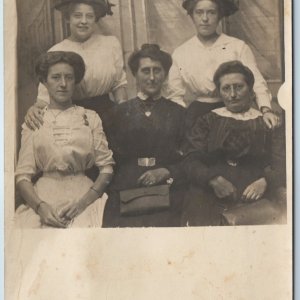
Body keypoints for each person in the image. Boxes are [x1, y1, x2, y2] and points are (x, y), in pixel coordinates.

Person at [15, 51, 115, 228]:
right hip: (44, 196)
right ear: (44, 82)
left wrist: (83, 203)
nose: (63, 84)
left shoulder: (90, 117)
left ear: (75, 81)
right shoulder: (35, 120)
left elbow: (106, 168)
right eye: (55, 77)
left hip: (83, 195)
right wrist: (40, 208)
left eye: (69, 77)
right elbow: (22, 177)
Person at [180, 61, 286, 226]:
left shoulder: (267, 122)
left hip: (255, 194)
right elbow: (190, 159)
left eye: (238, 87)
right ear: (220, 92)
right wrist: (213, 180)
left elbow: (283, 163)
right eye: (226, 89)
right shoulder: (207, 120)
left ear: (251, 91)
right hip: (209, 193)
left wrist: (265, 181)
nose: (232, 94)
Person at [102, 44, 186, 227]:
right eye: (145, 71)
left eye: (157, 70)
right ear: (135, 75)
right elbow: (106, 158)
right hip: (126, 188)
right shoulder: (117, 113)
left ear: (165, 74)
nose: (152, 77)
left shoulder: (179, 113)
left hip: (168, 188)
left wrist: (167, 171)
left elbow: (190, 157)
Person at [167, 0, 279, 130]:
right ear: (192, 15)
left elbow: (257, 83)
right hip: (197, 115)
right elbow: (175, 95)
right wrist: (180, 122)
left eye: (211, 12)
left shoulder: (237, 47)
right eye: (199, 12)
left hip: (234, 111)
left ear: (220, 15)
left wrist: (266, 109)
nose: (205, 18)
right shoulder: (181, 52)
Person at [25, 0, 127, 132]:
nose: (83, 21)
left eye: (89, 16)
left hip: (109, 115)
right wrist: (34, 109)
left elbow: (119, 86)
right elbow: (44, 97)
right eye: (77, 16)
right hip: (73, 118)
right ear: (68, 18)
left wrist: (124, 114)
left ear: (95, 18)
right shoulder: (57, 51)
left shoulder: (111, 44)